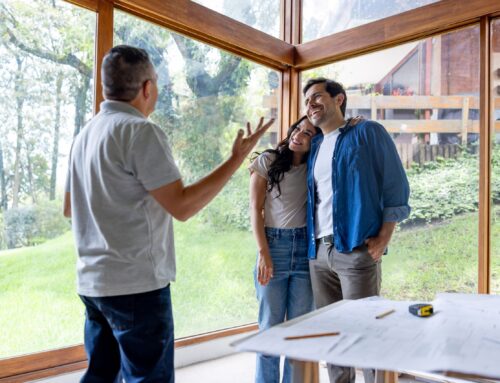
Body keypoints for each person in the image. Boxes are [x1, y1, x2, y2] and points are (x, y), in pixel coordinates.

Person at [63, 45, 274, 383]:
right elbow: (183, 206)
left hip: (92, 284)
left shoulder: (84, 136)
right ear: (147, 88)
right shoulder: (139, 131)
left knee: (102, 377)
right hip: (135, 286)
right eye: (156, 83)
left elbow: (69, 209)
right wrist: (236, 159)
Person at [302, 77, 411, 383]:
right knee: (333, 335)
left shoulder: (368, 132)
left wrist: (386, 234)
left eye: (317, 97)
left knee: (367, 334)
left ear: (339, 99)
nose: (310, 105)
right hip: (318, 253)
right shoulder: (317, 146)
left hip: (356, 249)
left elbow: (395, 185)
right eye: (306, 101)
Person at [249, 116, 317, 383]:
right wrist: (263, 253)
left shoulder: (314, 166)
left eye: (308, 134)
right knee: (270, 331)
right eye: (297, 129)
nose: (298, 135)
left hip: (304, 250)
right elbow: (255, 210)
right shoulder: (267, 161)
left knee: (298, 333)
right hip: (273, 246)